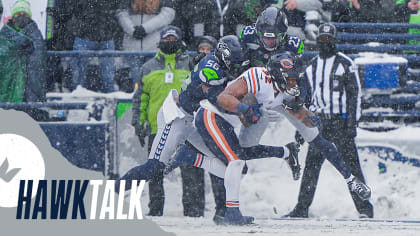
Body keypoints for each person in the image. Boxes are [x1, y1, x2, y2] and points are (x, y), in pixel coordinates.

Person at [201, 50, 373, 224]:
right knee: (240, 155)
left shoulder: (287, 89)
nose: (294, 82)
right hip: (229, 112)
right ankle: (284, 153)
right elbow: (223, 97)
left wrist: (309, 115)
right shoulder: (257, 76)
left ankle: (350, 179)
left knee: (316, 138)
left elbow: (301, 110)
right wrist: (245, 109)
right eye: (290, 79)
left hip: (267, 105)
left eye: (295, 78)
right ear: (277, 76)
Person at [285, 23, 374, 218]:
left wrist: (352, 123)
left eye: (329, 40)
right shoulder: (312, 67)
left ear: (335, 41)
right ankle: (302, 208)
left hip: (340, 122)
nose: (325, 43)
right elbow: (305, 101)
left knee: (352, 167)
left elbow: (354, 96)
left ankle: (365, 210)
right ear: (317, 42)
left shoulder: (345, 63)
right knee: (311, 168)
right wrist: (301, 126)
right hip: (318, 123)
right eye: (322, 40)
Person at [131, 25, 190, 216]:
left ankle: (194, 209)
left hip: (186, 127)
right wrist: (138, 123)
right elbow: (140, 98)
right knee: (155, 171)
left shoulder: (190, 63)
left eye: (174, 39)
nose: (170, 43)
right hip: (158, 127)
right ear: (160, 41)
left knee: (190, 170)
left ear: (180, 41)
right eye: (167, 39)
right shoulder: (147, 67)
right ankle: (155, 209)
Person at [0, 0, 47, 120]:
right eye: (17, 14)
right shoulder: (4, 34)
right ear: (12, 16)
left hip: (27, 83)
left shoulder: (35, 34)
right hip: (8, 78)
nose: (21, 17)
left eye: (25, 15)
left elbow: (38, 57)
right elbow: (3, 52)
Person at [117, 0, 175, 88]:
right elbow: (121, 14)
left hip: (154, 49)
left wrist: (145, 28)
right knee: (134, 83)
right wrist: (132, 31)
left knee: (154, 82)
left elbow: (167, 15)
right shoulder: (127, 3)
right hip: (132, 49)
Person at [70, 0, 119, 93]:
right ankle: (77, 99)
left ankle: (109, 99)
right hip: (88, 35)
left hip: (101, 35)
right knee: (79, 77)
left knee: (107, 77)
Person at [240, 6, 304, 67]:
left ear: (282, 35)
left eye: (272, 39)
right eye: (266, 38)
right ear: (258, 34)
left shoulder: (293, 45)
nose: (269, 42)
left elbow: (297, 72)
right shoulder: (248, 35)